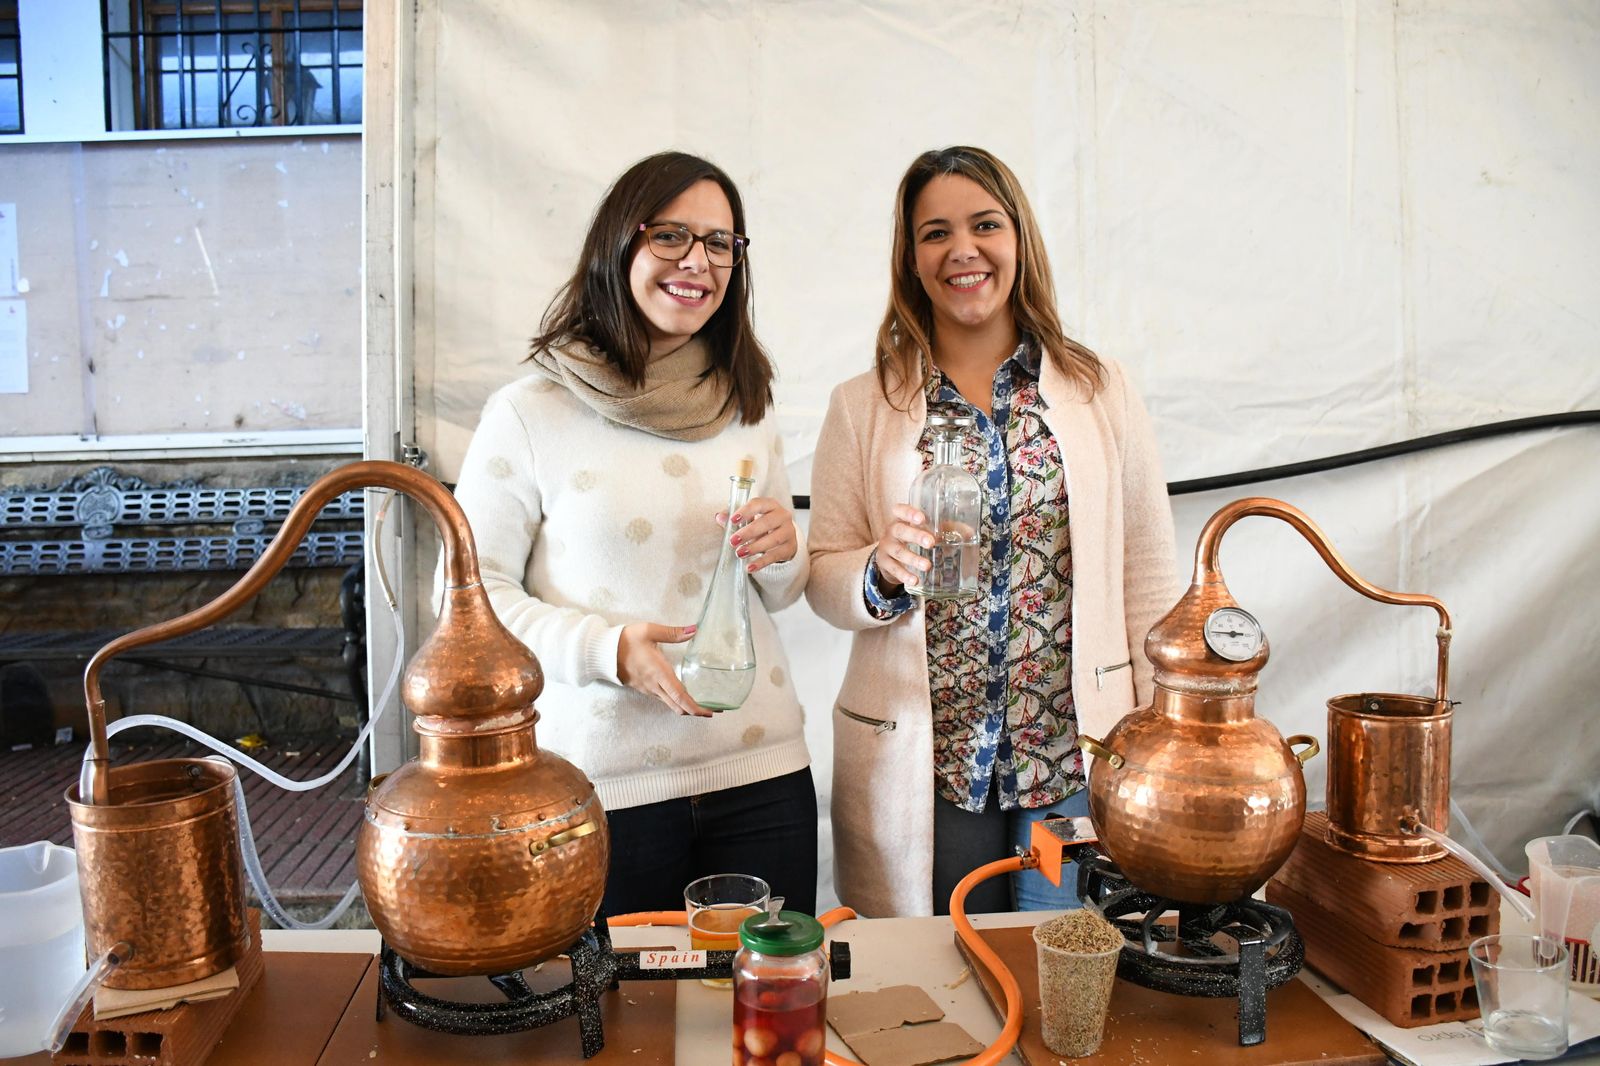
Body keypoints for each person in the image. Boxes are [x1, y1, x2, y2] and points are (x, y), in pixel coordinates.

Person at [805, 146, 1180, 917]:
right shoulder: (862, 405)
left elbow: (1147, 570)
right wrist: (877, 571)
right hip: (928, 761)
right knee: (943, 983)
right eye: (935, 232)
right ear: (910, 258)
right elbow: (821, 575)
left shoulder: (1100, 390)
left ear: (1019, 240)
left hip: (1074, 754)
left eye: (985, 225)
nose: (963, 250)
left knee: (1068, 969)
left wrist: (1155, 731)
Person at [447, 151, 816, 917]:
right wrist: (606, 650)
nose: (698, 262)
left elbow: (776, 590)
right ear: (621, 241)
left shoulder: (748, 398)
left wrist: (785, 552)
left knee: (765, 1011)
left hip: (762, 773)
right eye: (672, 236)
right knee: (626, 1023)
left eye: (721, 243)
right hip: (606, 784)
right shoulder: (531, 410)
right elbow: (467, 602)